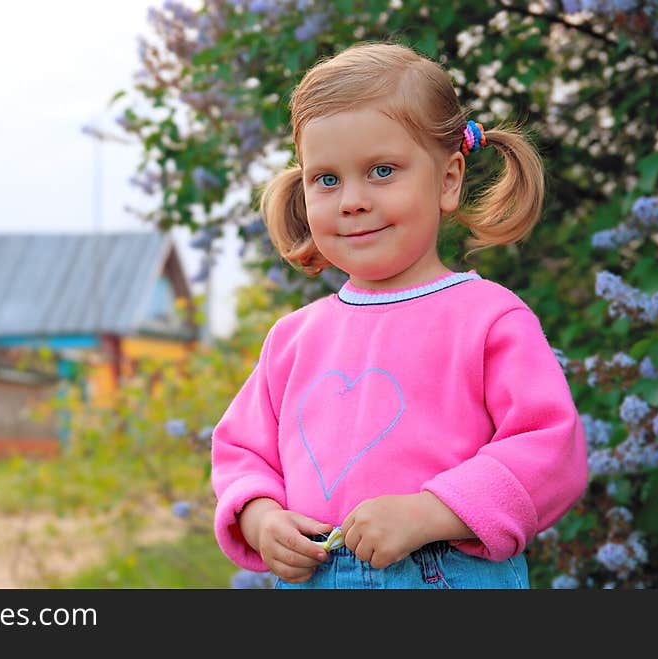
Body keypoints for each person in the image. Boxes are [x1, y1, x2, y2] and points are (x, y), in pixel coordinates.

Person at [210, 40, 589, 589]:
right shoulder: (294, 337)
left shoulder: (487, 318)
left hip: (450, 572)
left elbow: (549, 447)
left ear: (449, 180)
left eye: (382, 170)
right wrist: (261, 517)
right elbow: (242, 452)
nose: (351, 200)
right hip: (320, 575)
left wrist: (432, 512)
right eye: (327, 179)